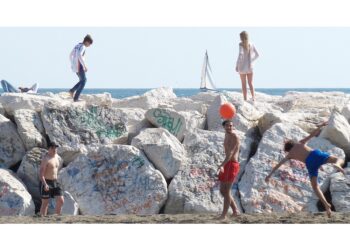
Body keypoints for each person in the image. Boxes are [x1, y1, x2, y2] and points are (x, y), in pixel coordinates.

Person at [265, 121, 345, 218]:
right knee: (339, 159)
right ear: (293, 143)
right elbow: (312, 135)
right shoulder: (300, 143)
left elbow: (278, 165)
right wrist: (320, 126)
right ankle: (337, 164)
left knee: (315, 187)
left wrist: (269, 175)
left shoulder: (290, 155)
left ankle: (326, 205)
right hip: (315, 154)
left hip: (310, 163)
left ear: (288, 150)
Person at [217, 120, 241, 220]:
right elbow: (227, 154)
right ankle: (235, 211)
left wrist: (221, 165)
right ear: (224, 127)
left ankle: (223, 215)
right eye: (227, 126)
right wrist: (223, 164)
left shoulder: (234, 137)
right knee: (222, 191)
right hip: (227, 164)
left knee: (226, 191)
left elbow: (230, 154)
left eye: (231, 126)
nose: (229, 128)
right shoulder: (226, 135)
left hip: (231, 165)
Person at [39, 141, 64, 216]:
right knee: (45, 203)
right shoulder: (46, 159)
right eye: (53, 148)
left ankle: (57, 218)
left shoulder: (56, 157)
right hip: (46, 182)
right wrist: (45, 184)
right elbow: (41, 174)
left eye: (56, 148)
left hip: (55, 182)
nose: (55, 150)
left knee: (61, 200)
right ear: (49, 149)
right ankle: (42, 221)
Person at [235, 31, 259, 102]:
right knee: (250, 83)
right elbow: (257, 55)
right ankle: (253, 97)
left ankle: (245, 99)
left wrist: (237, 65)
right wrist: (251, 60)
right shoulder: (251, 44)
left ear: (241, 37)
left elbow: (240, 55)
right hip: (250, 67)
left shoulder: (241, 44)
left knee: (243, 84)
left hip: (242, 67)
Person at [68, 34, 93, 102]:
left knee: (82, 80)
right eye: (90, 44)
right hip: (80, 66)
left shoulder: (77, 45)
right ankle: (76, 97)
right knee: (84, 81)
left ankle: (72, 91)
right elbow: (79, 55)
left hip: (75, 66)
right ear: (87, 42)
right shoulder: (83, 46)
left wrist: (72, 63)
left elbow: (70, 55)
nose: (89, 45)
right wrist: (84, 66)